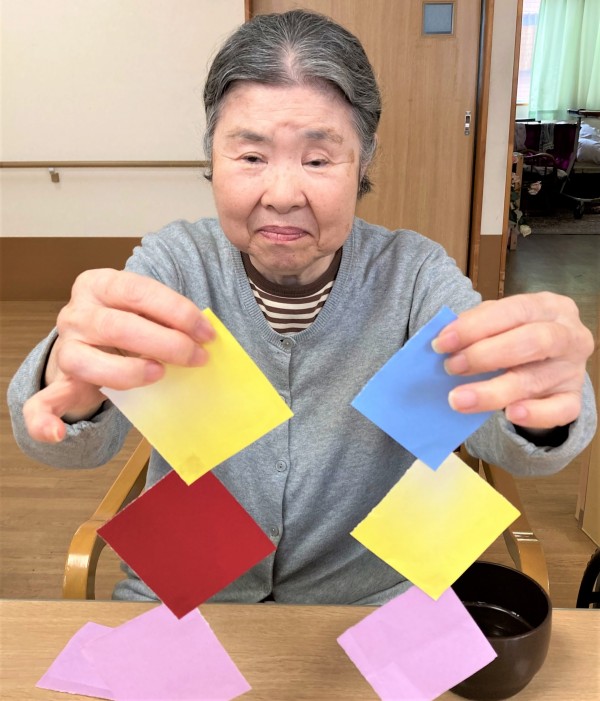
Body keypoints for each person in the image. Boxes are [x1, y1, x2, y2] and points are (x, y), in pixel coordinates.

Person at [8, 10, 596, 605]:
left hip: (370, 593)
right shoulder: (176, 265)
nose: (283, 195)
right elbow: (70, 446)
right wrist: (66, 382)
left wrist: (539, 403)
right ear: (212, 156)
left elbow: (509, 441)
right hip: (187, 584)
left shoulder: (412, 274)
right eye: (251, 157)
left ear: (363, 161)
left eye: (317, 160)